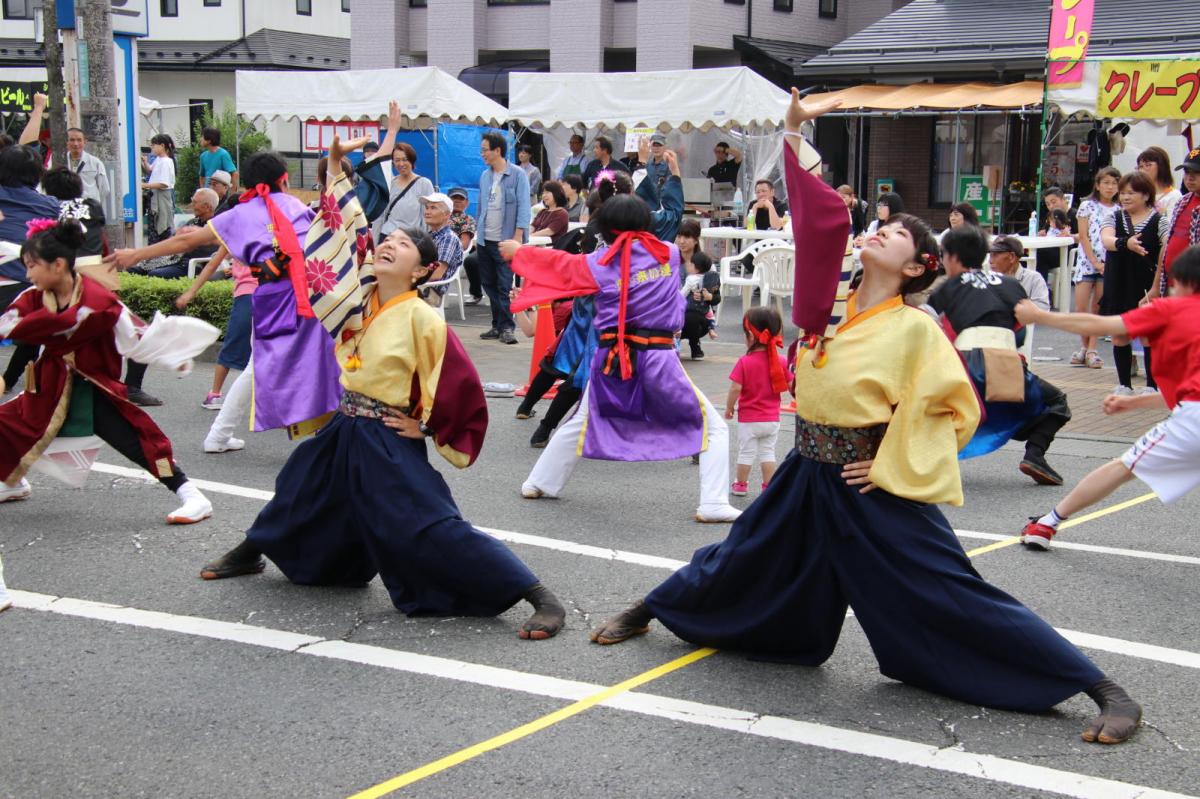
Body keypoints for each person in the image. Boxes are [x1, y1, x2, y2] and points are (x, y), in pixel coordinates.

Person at [588, 89, 1142, 749]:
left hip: (865, 477)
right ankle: (652, 607)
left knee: (950, 587)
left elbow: (953, 407)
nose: (880, 229)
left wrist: (890, 462)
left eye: (898, 232)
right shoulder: (834, 304)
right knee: (739, 553)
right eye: (882, 224)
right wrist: (793, 133)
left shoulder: (915, 327)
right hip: (807, 467)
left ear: (914, 267)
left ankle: (1100, 686)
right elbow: (820, 223)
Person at [198, 142, 567, 641]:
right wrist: (333, 162)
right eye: (388, 239)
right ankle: (252, 551)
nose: (389, 244)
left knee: (430, 524)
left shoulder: (422, 316)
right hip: (345, 425)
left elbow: (463, 389)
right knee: (299, 489)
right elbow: (339, 225)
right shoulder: (356, 296)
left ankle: (537, 593)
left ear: (423, 270)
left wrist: (428, 426)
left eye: (404, 245)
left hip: (386, 437)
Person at [501, 194, 742, 524]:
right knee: (713, 429)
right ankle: (713, 502)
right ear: (646, 224)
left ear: (606, 229)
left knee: (583, 417)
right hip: (657, 357)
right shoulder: (669, 255)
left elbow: (559, 265)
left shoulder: (597, 263)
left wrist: (520, 254)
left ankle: (539, 482)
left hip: (612, 357)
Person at [109, 150, 343, 452]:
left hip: (274, 298)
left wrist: (135, 254)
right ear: (284, 179)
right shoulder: (295, 206)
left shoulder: (240, 214)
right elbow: (330, 235)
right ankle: (315, 439)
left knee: (261, 366)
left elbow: (186, 241)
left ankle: (226, 435)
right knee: (317, 363)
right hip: (311, 296)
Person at [0, 218, 216, 524]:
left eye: (32, 265)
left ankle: (192, 495)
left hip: (92, 387)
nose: (27, 273)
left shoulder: (98, 302)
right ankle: (12, 481)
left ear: (57, 264)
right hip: (50, 383)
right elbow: (9, 323)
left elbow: (137, 337)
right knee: (8, 424)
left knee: (137, 441)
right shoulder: (34, 296)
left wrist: (172, 355)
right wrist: (46, 325)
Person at [1016, 245, 1200, 554]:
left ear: (1184, 282)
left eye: (1171, 284)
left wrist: (1039, 315)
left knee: (1124, 466)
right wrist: (1135, 403)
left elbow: (1101, 326)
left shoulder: (1171, 309)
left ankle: (1046, 523)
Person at [927, 226, 1070, 485]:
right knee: (1057, 401)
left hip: (963, 365)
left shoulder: (946, 289)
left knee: (931, 407)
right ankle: (1035, 455)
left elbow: (929, 328)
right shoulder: (1011, 285)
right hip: (1005, 363)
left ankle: (926, 459)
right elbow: (1020, 334)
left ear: (952, 257)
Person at [0, 145, 66, 397]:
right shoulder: (49, 205)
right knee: (37, 330)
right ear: (37, 174)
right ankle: (15, 380)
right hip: (28, 290)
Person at [1101, 171, 1162, 396]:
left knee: (1148, 334)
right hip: (1117, 282)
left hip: (1145, 284)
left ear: (1146, 195)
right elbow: (1106, 240)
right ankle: (1124, 384)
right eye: (1123, 192)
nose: (1125, 197)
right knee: (1120, 333)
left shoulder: (1158, 220)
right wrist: (1126, 243)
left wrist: (1157, 286)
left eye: (1132, 193)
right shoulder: (1114, 217)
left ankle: (1151, 385)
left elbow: (1166, 247)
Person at [724, 306, 787, 497]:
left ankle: (741, 485)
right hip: (772, 419)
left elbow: (735, 388)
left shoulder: (745, 362)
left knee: (746, 453)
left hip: (750, 419)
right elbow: (793, 384)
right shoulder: (781, 361)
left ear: (750, 336)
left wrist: (729, 407)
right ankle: (768, 486)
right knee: (768, 453)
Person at [476, 131, 530, 345]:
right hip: (485, 238)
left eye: (485, 150)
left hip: (506, 240)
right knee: (488, 283)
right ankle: (496, 324)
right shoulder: (485, 176)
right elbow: (481, 206)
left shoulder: (518, 175)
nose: (482, 154)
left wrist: (517, 237)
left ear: (497, 151)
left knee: (505, 285)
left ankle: (508, 327)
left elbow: (524, 207)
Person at [1072, 167, 1120, 368]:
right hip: (1086, 262)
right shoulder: (1086, 206)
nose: (1110, 187)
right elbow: (1083, 236)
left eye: (1114, 183)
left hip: (1109, 263)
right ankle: (1084, 347)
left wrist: (1103, 265)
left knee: (1098, 308)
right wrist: (1094, 262)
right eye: (1106, 182)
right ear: (1098, 185)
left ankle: (1092, 349)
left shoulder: (1120, 209)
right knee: (1081, 308)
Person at [133, 188, 220, 279]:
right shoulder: (193, 222)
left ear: (207, 207)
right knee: (134, 270)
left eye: (195, 202)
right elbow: (174, 240)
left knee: (154, 274)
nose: (191, 205)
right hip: (174, 260)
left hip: (191, 264)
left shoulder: (215, 226)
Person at [1149, 146, 1200, 300]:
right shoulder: (1182, 201)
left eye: (1196, 173)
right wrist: (1156, 286)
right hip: (1171, 283)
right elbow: (1168, 243)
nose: (1189, 178)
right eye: (1187, 173)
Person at [376, 142, 434, 240]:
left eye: (405, 159)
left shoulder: (424, 184)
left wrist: (424, 242)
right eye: (397, 160)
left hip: (411, 239)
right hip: (388, 236)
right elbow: (380, 217)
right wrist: (375, 244)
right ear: (393, 162)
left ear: (412, 160)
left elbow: (428, 216)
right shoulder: (389, 184)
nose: (401, 164)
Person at [418, 191, 464, 309]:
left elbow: (437, 274)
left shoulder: (448, 238)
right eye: (427, 208)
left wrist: (410, 279)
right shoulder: (429, 235)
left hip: (430, 291)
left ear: (446, 214)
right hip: (421, 285)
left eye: (433, 208)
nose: (427, 212)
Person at [988, 235, 1050, 312]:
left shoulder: (1033, 279)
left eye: (995, 255)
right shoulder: (987, 280)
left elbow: (1042, 309)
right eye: (990, 255)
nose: (990, 261)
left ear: (1012, 257)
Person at [680, 251, 720, 360]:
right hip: (704, 311)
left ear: (696, 267)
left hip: (689, 314)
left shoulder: (691, 279)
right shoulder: (710, 277)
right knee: (710, 314)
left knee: (688, 317)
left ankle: (676, 345)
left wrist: (709, 297)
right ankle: (711, 329)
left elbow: (682, 294)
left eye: (691, 264)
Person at [1035, 187, 1078, 284]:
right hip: (1051, 251)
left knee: (1039, 255)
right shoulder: (1050, 217)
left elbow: (1084, 235)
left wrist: (1070, 235)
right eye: (1048, 204)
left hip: (1068, 253)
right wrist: (1042, 234)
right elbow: (1045, 232)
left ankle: (1042, 289)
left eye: (1054, 202)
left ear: (1063, 199)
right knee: (1028, 255)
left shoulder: (1075, 214)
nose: (1051, 206)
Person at [447, 187, 481, 305]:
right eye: (453, 198)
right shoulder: (439, 215)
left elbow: (464, 244)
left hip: (452, 254)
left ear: (466, 203)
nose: (457, 201)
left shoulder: (467, 219)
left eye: (460, 199)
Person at [141, 133, 176, 245]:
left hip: (162, 197)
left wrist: (144, 185)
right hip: (155, 196)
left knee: (161, 225)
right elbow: (150, 171)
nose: (152, 148)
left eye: (153, 145)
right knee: (155, 224)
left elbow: (163, 184)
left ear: (162, 145)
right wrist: (145, 162)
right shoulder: (159, 159)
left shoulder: (166, 161)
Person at [64, 127, 111, 208]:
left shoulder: (95, 162)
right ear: (66, 141)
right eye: (72, 140)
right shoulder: (58, 161)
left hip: (88, 209)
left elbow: (104, 189)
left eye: (79, 140)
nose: (75, 144)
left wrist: (93, 202)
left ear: (85, 141)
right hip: (66, 207)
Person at [1137, 146, 1181, 221]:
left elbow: (1172, 224)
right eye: (1140, 166)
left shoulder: (1174, 195)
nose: (1142, 170)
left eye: (1148, 165)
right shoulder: (1138, 194)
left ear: (1161, 167)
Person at [197, 126, 238, 192]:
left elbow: (234, 174)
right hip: (208, 192)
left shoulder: (223, 154)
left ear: (209, 140)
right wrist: (203, 190)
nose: (200, 139)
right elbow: (202, 176)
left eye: (202, 136)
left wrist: (232, 193)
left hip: (220, 191)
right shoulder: (203, 156)